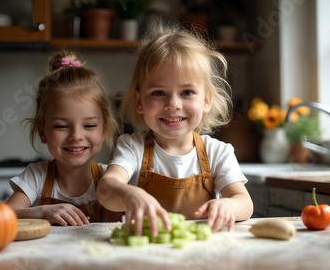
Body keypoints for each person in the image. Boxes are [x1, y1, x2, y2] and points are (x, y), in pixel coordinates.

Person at [96, 24, 254, 237]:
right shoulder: (132, 147)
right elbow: (106, 189)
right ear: (139, 101)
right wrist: (128, 195)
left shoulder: (218, 152)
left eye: (187, 92)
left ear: (206, 100)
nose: (173, 104)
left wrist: (229, 206)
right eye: (159, 93)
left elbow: (245, 202)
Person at [7, 50, 122, 226]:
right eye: (62, 126)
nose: (76, 136)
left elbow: (111, 232)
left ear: (104, 130)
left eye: (89, 125)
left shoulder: (108, 179)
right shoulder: (36, 177)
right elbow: (2, 216)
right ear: (43, 133)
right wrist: (42, 212)